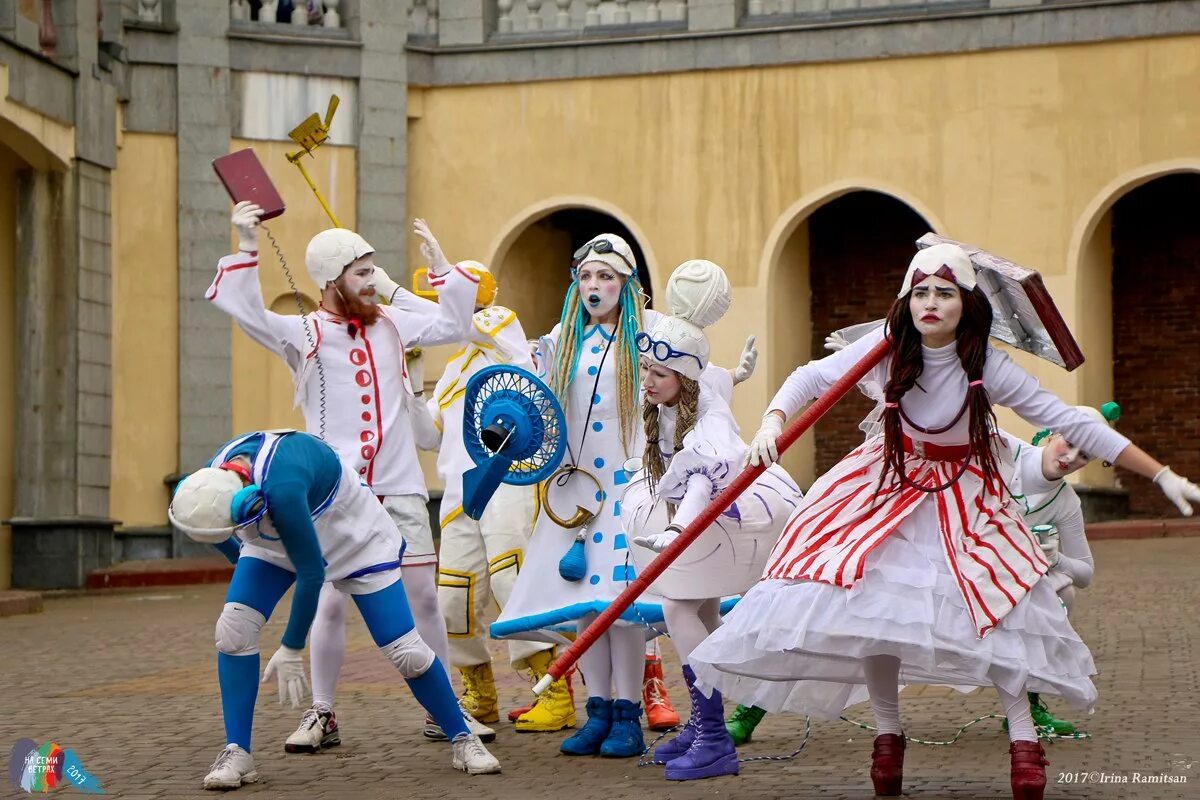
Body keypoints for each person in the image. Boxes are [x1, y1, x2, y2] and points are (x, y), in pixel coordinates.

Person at [688, 243, 1200, 800]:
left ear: (966, 304)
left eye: (946, 292)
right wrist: (771, 421)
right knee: (874, 612)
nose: (931, 302)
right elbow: (809, 377)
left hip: (966, 493)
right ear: (907, 299)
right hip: (886, 488)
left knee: (1000, 605)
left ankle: (1024, 739)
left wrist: (1161, 474)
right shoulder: (884, 350)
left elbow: (1070, 421)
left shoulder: (987, 365)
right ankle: (888, 737)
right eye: (921, 291)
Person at [208, 202, 489, 747]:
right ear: (330, 279)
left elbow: (457, 324)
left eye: (373, 269)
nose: (372, 281)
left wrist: (437, 270)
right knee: (332, 600)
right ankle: (322, 712)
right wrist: (246, 246)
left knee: (424, 598)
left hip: (400, 483)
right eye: (362, 272)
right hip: (334, 490)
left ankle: (444, 707)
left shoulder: (392, 322)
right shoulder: (305, 332)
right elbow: (248, 316)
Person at [168, 430, 500, 790]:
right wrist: (244, 565)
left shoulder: (283, 485)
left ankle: (463, 739)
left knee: (407, 652)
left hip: (355, 540)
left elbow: (312, 574)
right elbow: (223, 537)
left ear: (248, 501)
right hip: (276, 537)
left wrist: (292, 648)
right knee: (233, 630)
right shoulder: (205, 484)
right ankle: (237, 751)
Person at [625, 261, 803, 780]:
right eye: (647, 372)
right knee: (697, 609)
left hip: (717, 516)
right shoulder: (679, 393)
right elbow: (720, 375)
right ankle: (709, 725)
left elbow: (704, 473)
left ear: (683, 377)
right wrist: (739, 371)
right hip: (691, 518)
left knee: (678, 608)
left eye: (659, 374)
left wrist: (679, 528)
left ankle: (712, 734)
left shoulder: (709, 416)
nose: (648, 382)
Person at [408, 263, 577, 733]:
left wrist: (414, 298)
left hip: (506, 482)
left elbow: (466, 324)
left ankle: (554, 689)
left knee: (513, 583)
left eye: (447, 296)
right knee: (454, 599)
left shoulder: (500, 325)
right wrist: (411, 375)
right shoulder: (451, 373)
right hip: (460, 494)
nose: (442, 307)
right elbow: (427, 436)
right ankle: (478, 694)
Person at [1000, 403, 1119, 736]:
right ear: (1052, 431)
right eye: (1068, 442)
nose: (1070, 457)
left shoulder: (1067, 502)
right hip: (967, 561)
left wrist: (1055, 559)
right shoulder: (1006, 450)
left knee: (1061, 593)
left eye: (1084, 456)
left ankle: (1029, 705)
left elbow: (1085, 573)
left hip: (1016, 580)